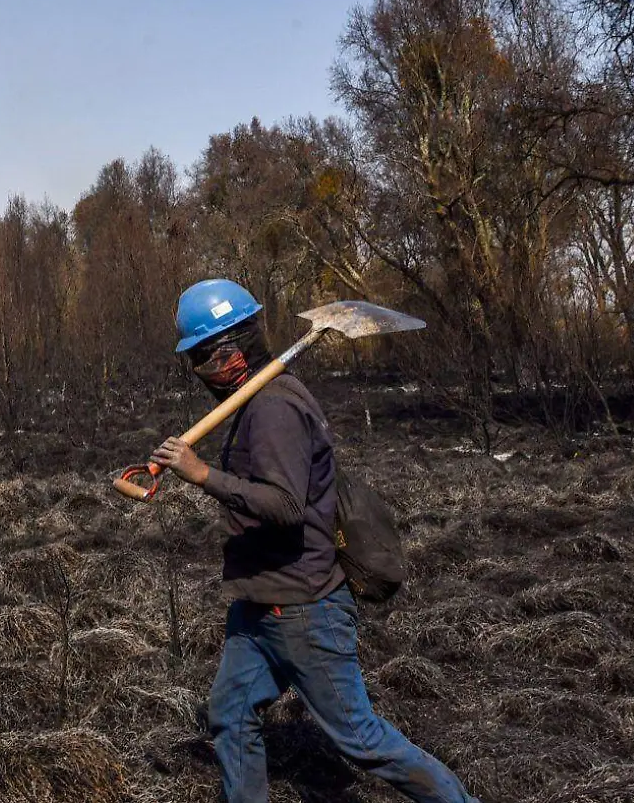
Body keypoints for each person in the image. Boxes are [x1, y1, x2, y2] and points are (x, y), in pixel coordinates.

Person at [148, 279, 478, 803]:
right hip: (261, 603)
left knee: (361, 739)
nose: (198, 371)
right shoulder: (255, 399)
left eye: (201, 358)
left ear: (230, 351)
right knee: (231, 715)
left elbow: (284, 507)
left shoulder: (274, 408)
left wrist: (202, 474)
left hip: (303, 607)